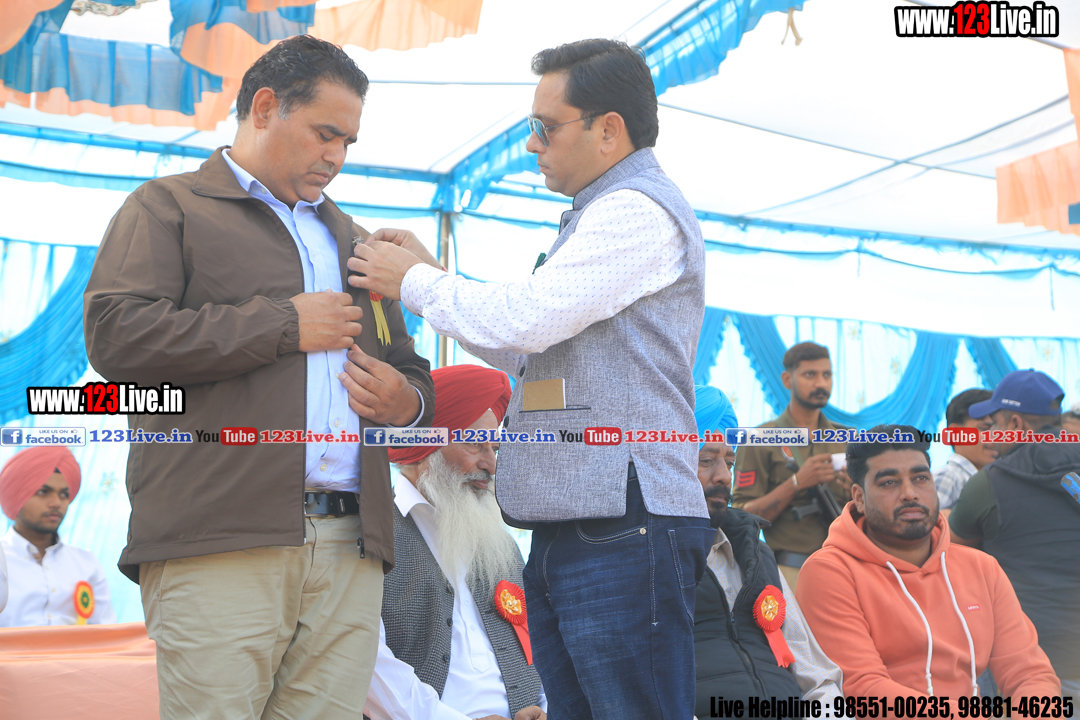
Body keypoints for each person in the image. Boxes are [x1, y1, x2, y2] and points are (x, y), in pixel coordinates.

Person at [347, 38, 714, 719]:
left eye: (545, 127)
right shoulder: (600, 213)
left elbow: (525, 319)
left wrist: (417, 281)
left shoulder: (636, 210)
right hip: (584, 519)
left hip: (625, 518)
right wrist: (434, 278)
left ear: (609, 130)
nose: (531, 145)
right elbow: (527, 355)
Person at [82, 35, 435, 720]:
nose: (336, 157)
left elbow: (411, 370)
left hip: (351, 547)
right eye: (325, 134)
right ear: (266, 107)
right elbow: (117, 335)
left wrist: (406, 401)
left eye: (348, 142)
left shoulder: (355, 241)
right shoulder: (167, 208)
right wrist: (281, 325)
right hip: (219, 538)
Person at [796, 425, 1060, 698]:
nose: (909, 493)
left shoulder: (982, 567)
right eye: (889, 482)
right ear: (859, 498)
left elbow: (1029, 673)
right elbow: (864, 690)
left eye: (921, 478)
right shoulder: (830, 572)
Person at [358, 364, 545, 720]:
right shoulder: (371, 529)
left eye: (495, 448)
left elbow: (539, 637)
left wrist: (545, 707)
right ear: (424, 444)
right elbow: (365, 659)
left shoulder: (499, 542)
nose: (490, 465)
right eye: (475, 444)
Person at [691, 386, 842, 713]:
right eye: (706, 460)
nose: (723, 476)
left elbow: (818, 679)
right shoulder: (645, 560)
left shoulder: (756, 555)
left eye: (729, 462)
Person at [950, 370, 1080, 696]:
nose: (990, 436)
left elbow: (953, 555)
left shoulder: (988, 484)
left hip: (1028, 669)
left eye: (993, 425)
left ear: (1016, 425)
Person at [731, 342, 852, 590]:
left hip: (847, 569)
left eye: (827, 375)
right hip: (790, 572)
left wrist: (858, 492)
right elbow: (741, 518)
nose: (821, 383)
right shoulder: (759, 439)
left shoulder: (847, 439)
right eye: (810, 374)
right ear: (787, 380)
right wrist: (796, 483)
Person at [0, 447, 115, 627]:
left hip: (78, 647)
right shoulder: (3, 558)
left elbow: (105, 631)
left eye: (64, 494)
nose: (56, 503)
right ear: (17, 495)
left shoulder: (86, 563)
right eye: (43, 492)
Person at [933, 388, 996, 512]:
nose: (995, 437)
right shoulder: (949, 477)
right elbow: (933, 523)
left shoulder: (989, 479)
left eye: (998, 429)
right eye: (985, 429)